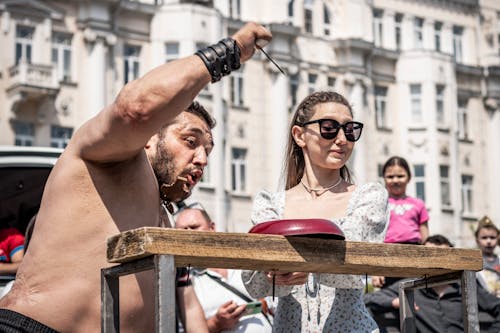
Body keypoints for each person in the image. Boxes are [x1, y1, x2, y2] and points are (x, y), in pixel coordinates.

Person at [0, 22, 272, 332]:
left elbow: (186, 306)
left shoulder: (163, 220)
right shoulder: (109, 156)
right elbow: (135, 108)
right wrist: (229, 52)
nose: (201, 158)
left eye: (208, 151)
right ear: (148, 138)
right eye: (190, 141)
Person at [241, 91, 389, 332]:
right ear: (300, 135)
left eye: (350, 129)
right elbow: (254, 284)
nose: (342, 138)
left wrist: (299, 262)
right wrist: (271, 275)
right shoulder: (270, 204)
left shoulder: (369, 196)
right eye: (329, 127)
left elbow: (357, 262)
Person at [364, 234, 500, 333]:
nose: (436, 261)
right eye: (429, 255)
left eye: (441, 255)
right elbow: (368, 299)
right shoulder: (410, 287)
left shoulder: (465, 287)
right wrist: (395, 302)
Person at [175, 203, 273, 333]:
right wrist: (216, 323)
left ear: (212, 228)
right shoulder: (183, 278)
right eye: (182, 231)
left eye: (194, 227)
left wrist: (264, 303)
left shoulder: (242, 261)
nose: (188, 234)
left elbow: (276, 302)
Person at [372, 156, 429, 289]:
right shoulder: (378, 204)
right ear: (384, 179)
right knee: (391, 297)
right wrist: (376, 270)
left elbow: (425, 237)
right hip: (387, 256)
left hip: (414, 256)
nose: (396, 180)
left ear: (409, 177)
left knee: (416, 296)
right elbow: (374, 236)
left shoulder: (418, 204)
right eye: (390, 177)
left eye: (400, 176)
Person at [475, 216, 500, 297]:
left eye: (492, 237)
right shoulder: (474, 263)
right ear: (477, 240)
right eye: (484, 238)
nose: (489, 241)